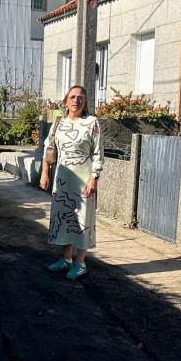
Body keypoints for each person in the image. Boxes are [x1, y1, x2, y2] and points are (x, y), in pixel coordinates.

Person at [39, 85, 104, 280]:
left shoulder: (92, 123)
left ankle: (81, 263)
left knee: (82, 221)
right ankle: (66, 259)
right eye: (72, 97)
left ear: (85, 102)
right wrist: (45, 174)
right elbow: (47, 150)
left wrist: (94, 178)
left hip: (83, 181)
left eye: (80, 97)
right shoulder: (59, 123)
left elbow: (98, 153)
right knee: (64, 218)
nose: (76, 100)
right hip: (62, 180)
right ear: (66, 101)